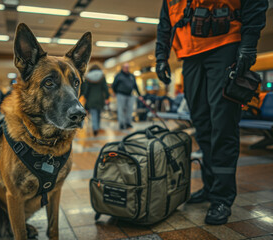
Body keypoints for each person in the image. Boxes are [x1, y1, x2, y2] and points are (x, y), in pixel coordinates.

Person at [155, 0, 268, 225]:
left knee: (223, 125)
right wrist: (161, 56)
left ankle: (222, 198)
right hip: (189, 55)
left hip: (225, 46)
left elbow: (255, 3)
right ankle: (210, 186)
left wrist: (248, 44)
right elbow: (165, 22)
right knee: (203, 125)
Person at [112, 63, 142, 130]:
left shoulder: (131, 76)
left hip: (130, 95)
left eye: (127, 67)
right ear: (122, 68)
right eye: (125, 67)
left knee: (130, 110)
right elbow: (114, 85)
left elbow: (135, 86)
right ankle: (122, 124)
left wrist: (139, 95)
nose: (126, 68)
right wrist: (116, 92)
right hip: (121, 94)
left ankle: (128, 123)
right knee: (121, 109)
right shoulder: (118, 76)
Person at [82, 64, 110, 136]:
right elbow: (105, 88)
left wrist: (86, 97)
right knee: (98, 114)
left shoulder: (87, 78)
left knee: (94, 114)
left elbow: (86, 90)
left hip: (91, 99)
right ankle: (97, 127)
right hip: (100, 99)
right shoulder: (102, 76)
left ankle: (95, 128)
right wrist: (107, 97)